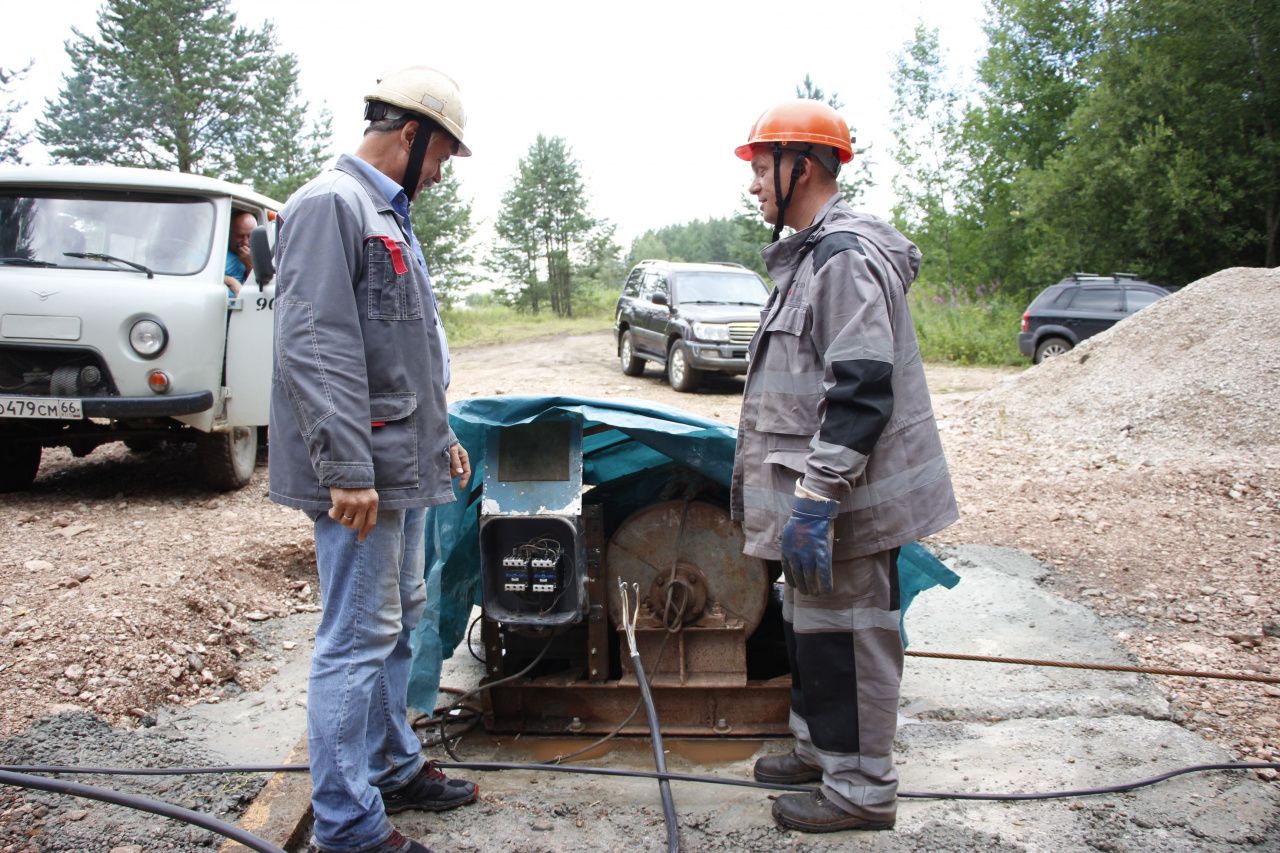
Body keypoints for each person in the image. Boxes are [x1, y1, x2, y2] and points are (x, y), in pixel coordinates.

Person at [729, 100, 958, 833]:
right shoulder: (807, 258)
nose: (755, 185)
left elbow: (860, 389)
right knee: (813, 632)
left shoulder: (845, 258)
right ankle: (820, 749)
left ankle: (860, 789)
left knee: (853, 640)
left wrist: (819, 497)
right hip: (818, 500)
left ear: (801, 165)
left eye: (762, 169)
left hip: (845, 506)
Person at [268, 65, 477, 853]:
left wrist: (442, 435)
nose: (438, 173)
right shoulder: (332, 205)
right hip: (363, 476)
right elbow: (316, 346)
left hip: (402, 465)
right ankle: (348, 824)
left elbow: (408, 351)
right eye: (439, 157)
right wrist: (346, 468)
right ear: (408, 134)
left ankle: (391, 763)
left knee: (401, 619)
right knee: (356, 636)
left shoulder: (387, 216)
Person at [223, 210, 256, 296]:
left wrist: (249, 264)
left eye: (250, 236)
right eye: (239, 236)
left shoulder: (257, 256)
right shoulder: (218, 253)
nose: (245, 242)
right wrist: (230, 281)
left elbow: (256, 290)